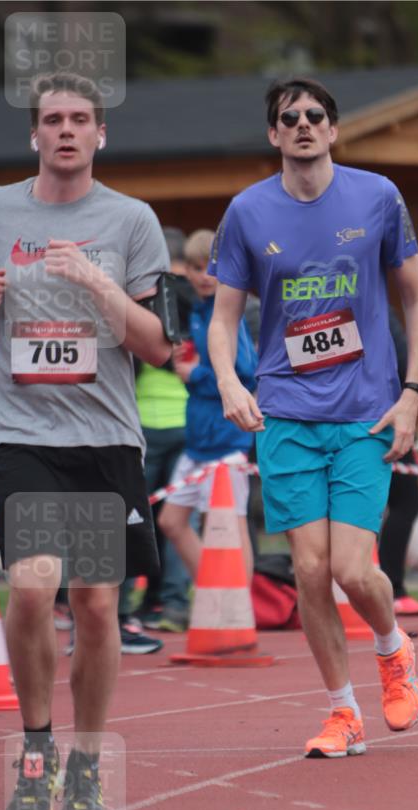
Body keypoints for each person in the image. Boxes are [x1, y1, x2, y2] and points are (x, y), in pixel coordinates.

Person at [207, 77, 418, 759]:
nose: (302, 124)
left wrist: (412, 392)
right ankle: (343, 712)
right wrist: (227, 381)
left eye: (314, 116)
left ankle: (393, 652)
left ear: (332, 130)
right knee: (308, 572)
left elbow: (416, 301)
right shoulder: (246, 212)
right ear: (274, 134)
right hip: (286, 413)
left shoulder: (377, 197)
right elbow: (221, 320)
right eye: (288, 118)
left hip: (365, 410)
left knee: (351, 569)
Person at [0, 72, 173, 810]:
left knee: (94, 608)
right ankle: (35, 752)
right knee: (31, 588)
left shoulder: (131, 222)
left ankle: (86, 762)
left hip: (105, 440)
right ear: (33, 136)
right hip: (22, 435)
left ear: (100, 135)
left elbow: (158, 346)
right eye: (52, 119)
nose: (65, 129)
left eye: (79, 119)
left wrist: (97, 282)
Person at [158, 229, 257, 586]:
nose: (204, 276)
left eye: (211, 268)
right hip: (198, 438)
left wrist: (195, 373)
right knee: (171, 521)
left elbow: (246, 369)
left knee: (232, 525)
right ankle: (218, 594)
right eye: (196, 267)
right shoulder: (198, 311)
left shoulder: (227, 312)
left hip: (227, 439)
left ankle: (239, 609)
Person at [116, 226, 193, 640]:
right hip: (187, 420)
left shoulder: (146, 294)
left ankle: (125, 608)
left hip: (145, 420)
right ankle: (172, 604)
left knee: (134, 518)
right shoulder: (201, 299)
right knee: (176, 520)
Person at [378, 306, 418, 616]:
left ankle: (388, 586)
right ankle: (392, 587)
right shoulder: (380, 311)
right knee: (406, 500)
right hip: (384, 416)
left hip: (375, 413)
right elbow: (401, 360)